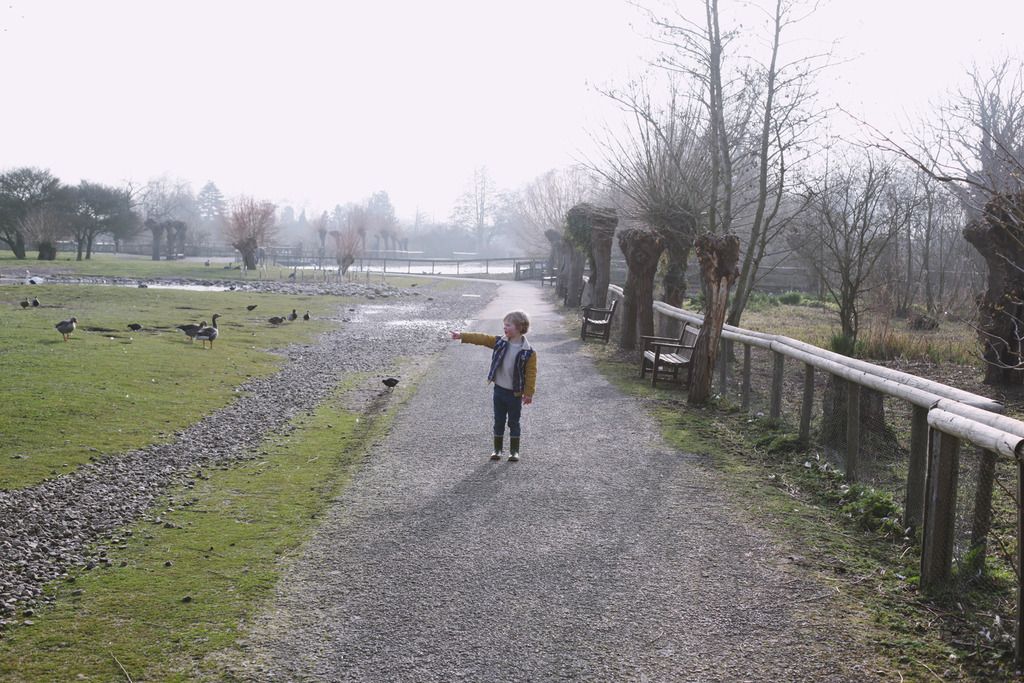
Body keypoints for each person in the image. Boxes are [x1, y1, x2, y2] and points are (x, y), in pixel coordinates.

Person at [450, 310, 537, 462]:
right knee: (498, 420)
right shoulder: (500, 342)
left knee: (513, 422)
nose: (504, 328)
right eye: (504, 325)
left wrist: (528, 393)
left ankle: (514, 451)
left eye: (508, 325)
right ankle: (497, 449)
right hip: (499, 391)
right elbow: (482, 338)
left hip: (515, 394)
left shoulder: (528, 352)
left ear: (519, 327)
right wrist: (462, 335)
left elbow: (531, 373)